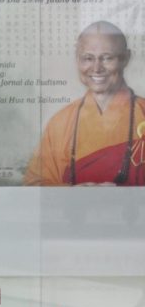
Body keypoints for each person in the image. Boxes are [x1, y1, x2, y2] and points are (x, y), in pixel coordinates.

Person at [25, 21, 142, 186]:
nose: (96, 68)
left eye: (107, 58)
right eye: (87, 58)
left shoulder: (142, 113)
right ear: (77, 59)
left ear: (126, 58)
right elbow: (34, 185)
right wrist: (71, 194)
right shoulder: (61, 123)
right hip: (73, 212)